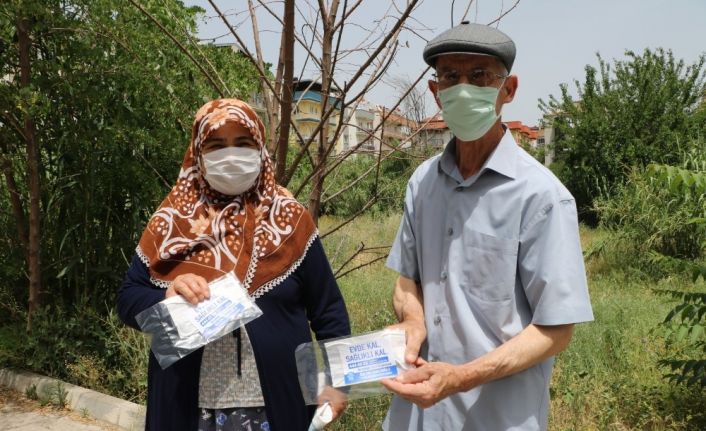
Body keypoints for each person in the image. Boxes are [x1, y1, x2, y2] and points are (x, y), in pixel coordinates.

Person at [380, 22, 594, 430]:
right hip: (415, 418)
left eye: (478, 76)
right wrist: (412, 319)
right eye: (450, 77)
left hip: (496, 417)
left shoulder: (541, 197)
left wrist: (460, 377)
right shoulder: (422, 183)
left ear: (508, 90)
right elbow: (408, 281)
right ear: (435, 91)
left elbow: (556, 329)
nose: (462, 88)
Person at [117, 98, 350, 431]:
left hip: (273, 406)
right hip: (186, 408)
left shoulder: (290, 221)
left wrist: (337, 382)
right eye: (216, 145)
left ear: (260, 150)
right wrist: (167, 294)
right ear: (198, 154)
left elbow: (328, 312)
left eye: (243, 143)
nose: (230, 155)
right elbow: (127, 298)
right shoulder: (170, 222)